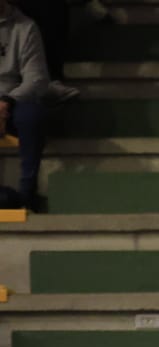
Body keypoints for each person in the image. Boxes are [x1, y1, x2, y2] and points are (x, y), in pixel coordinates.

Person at [0, 1, 49, 213]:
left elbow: (36, 78)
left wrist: (6, 101)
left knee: (32, 115)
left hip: (14, 99)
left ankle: (27, 192)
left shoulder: (25, 27)